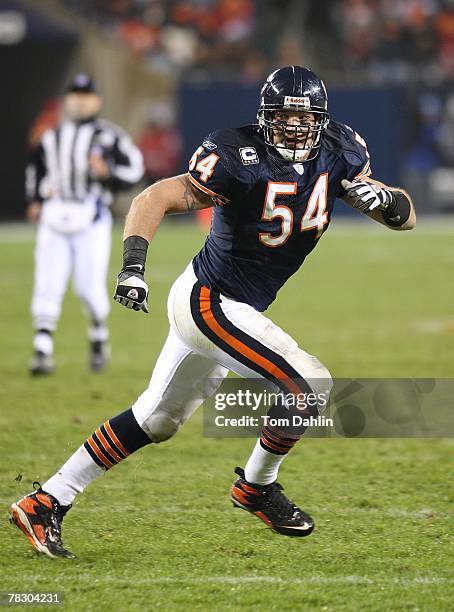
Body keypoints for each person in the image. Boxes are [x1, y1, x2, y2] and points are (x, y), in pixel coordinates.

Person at [10, 66, 415, 557]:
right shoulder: (237, 154)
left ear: (322, 119)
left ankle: (45, 500)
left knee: (157, 420)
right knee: (310, 385)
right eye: (284, 117)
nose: (294, 127)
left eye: (304, 118)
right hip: (210, 300)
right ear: (266, 117)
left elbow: (405, 217)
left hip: (230, 306)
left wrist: (387, 201)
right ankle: (256, 486)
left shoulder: (341, 151)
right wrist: (132, 268)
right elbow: (153, 196)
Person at [26, 74, 144, 374]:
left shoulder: (110, 136)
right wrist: (36, 199)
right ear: (67, 99)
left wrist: (107, 172)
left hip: (91, 217)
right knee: (47, 282)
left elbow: (135, 170)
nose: (79, 99)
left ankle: (98, 333)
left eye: (85, 94)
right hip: (55, 216)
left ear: (96, 100)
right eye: (74, 94)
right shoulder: (51, 137)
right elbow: (35, 170)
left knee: (88, 287)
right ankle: (42, 347)